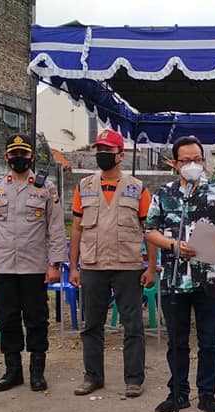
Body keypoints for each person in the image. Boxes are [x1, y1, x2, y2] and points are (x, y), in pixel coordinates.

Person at [144, 136, 215, 412]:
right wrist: (173, 245)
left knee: (209, 340)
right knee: (177, 341)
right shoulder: (164, 194)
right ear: (175, 164)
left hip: (208, 278)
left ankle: (207, 394)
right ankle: (178, 392)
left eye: (197, 159)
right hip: (174, 280)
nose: (193, 165)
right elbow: (150, 231)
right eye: (186, 160)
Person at [0, 134, 68, 393]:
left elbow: (56, 228)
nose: (19, 158)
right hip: (5, 267)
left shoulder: (46, 188)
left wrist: (55, 264)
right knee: (7, 319)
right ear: (6, 157)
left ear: (32, 157)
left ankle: (37, 372)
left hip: (35, 268)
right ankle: (13, 371)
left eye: (24, 154)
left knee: (37, 319)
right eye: (14, 154)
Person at [69, 129, 153, 398]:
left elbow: (149, 231)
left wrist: (151, 267)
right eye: (99, 150)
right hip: (93, 265)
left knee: (133, 326)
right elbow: (77, 228)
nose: (102, 155)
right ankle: (92, 376)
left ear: (120, 155)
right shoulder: (84, 186)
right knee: (91, 325)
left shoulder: (138, 188)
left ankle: (134, 379)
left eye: (107, 150)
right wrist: (73, 266)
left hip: (128, 265)